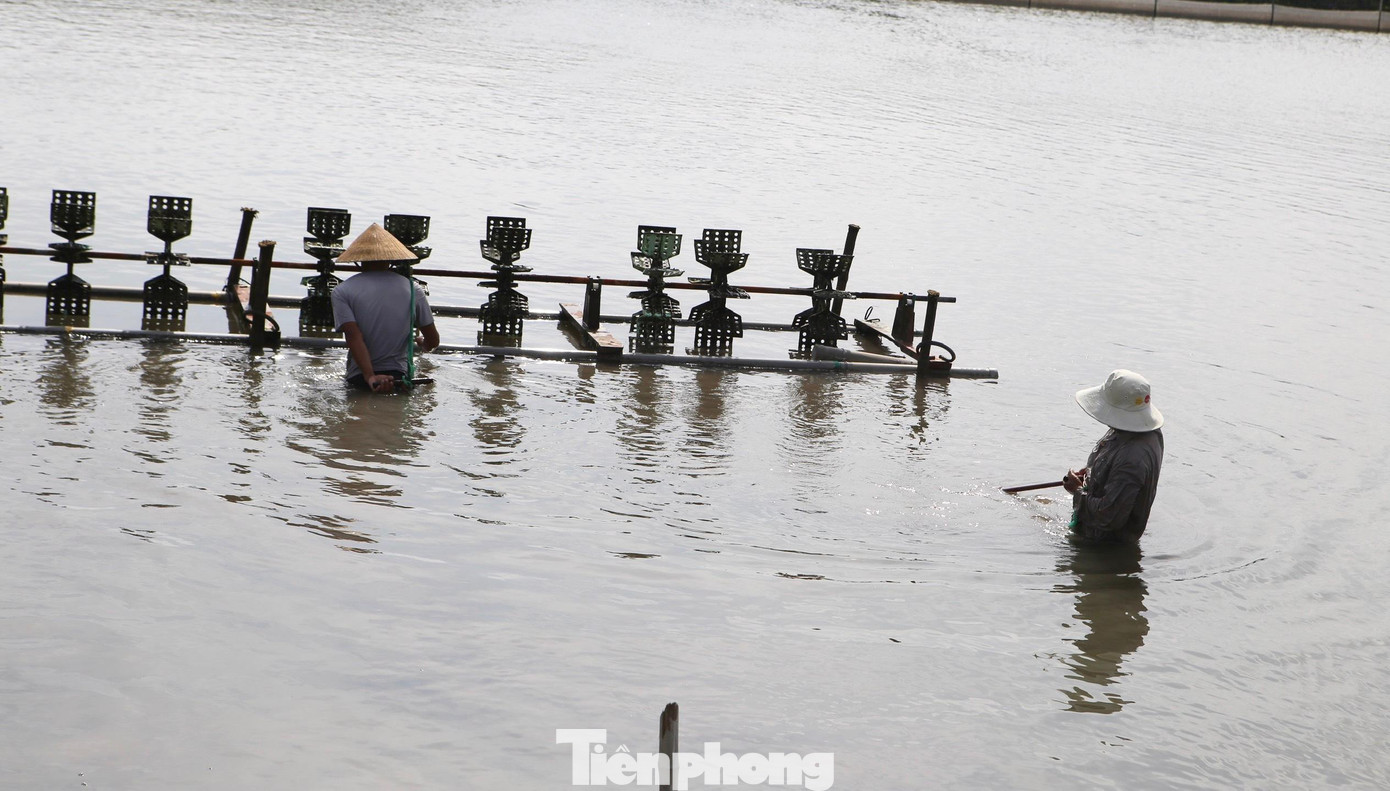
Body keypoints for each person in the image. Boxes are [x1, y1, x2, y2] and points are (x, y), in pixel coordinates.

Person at [331, 222, 439, 393]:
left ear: (358, 261)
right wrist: (423, 344)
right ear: (391, 259)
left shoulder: (342, 290)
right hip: (399, 377)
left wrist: (370, 376)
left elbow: (353, 336)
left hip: (360, 378)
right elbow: (433, 340)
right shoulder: (413, 289)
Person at [1063, 369, 1164, 544]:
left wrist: (1077, 491)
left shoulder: (1132, 458)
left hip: (1102, 547)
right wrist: (1092, 473)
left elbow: (1109, 516)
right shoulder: (1145, 433)